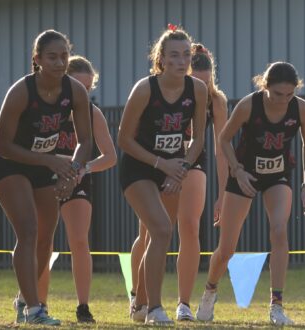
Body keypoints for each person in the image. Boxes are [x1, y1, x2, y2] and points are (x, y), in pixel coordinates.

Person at [196, 62, 305, 325]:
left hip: (278, 175)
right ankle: (210, 291)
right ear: (265, 87)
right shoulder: (249, 105)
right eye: (277, 94)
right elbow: (224, 139)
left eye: (289, 94)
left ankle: (277, 306)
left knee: (279, 230)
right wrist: (237, 171)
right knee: (226, 247)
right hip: (245, 175)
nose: (284, 100)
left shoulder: (302, 109)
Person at [0, 29, 92, 325]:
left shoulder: (75, 90)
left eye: (64, 56)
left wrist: (72, 173)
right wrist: (50, 160)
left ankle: (24, 299)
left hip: (45, 167)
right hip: (12, 164)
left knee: (46, 237)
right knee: (28, 229)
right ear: (37, 59)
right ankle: (36, 309)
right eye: (52, 57)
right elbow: (3, 145)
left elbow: (85, 142)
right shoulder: (22, 91)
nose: (60, 62)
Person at [127, 43, 229, 322]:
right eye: (197, 81)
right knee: (152, 230)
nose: (200, 87)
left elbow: (221, 149)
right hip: (155, 161)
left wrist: (222, 193)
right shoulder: (156, 90)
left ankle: (183, 302)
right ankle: (139, 297)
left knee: (189, 225)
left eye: (206, 84)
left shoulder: (214, 101)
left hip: (190, 160)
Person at [11, 55, 116, 324]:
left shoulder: (91, 113)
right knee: (41, 240)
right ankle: (36, 302)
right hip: (43, 177)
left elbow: (110, 156)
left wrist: (84, 169)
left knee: (79, 240)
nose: (82, 92)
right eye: (77, 85)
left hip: (76, 178)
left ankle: (83, 306)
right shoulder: (44, 107)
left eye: (88, 88)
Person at [118, 24, 207, 325]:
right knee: (161, 230)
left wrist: (180, 169)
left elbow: (198, 139)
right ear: (161, 59)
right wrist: (161, 164)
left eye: (186, 55)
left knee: (154, 235)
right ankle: (155, 308)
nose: (181, 62)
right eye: (174, 56)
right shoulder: (145, 89)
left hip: (174, 170)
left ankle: (140, 305)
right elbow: (124, 139)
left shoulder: (198, 89)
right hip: (140, 167)